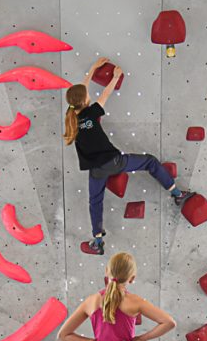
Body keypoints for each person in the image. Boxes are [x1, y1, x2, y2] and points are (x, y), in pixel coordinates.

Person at [64, 57, 193, 255]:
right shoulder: (91, 113)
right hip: (114, 162)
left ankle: (97, 240)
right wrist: (114, 77)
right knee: (149, 161)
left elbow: (81, 92)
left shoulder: (71, 119)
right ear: (85, 100)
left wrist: (92, 70)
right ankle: (177, 194)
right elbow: (105, 93)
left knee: (95, 201)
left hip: (96, 170)